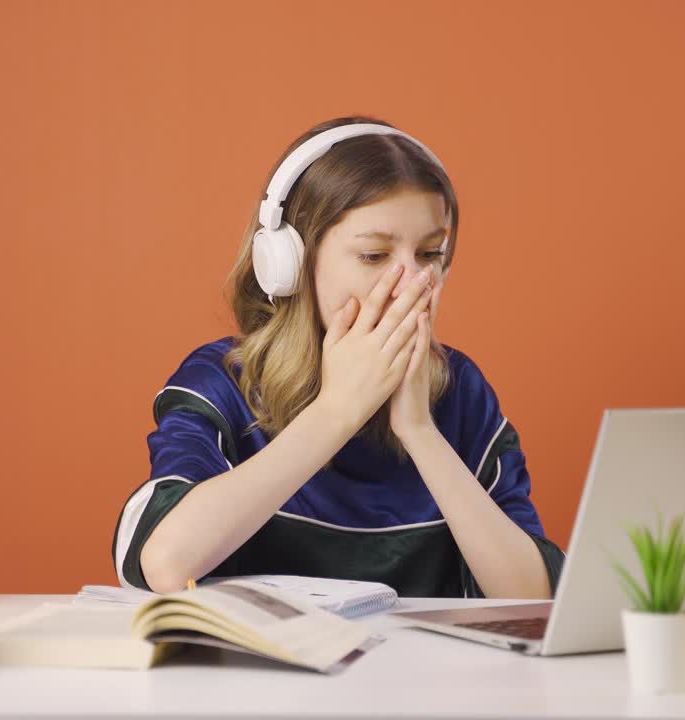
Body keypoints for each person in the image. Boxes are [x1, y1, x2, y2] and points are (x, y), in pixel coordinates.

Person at [112, 116, 564, 598]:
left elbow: (533, 598)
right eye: (373, 256)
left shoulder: (462, 392)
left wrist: (419, 432)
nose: (412, 282)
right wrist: (336, 412)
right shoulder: (222, 383)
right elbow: (164, 563)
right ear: (288, 261)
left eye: (430, 253)